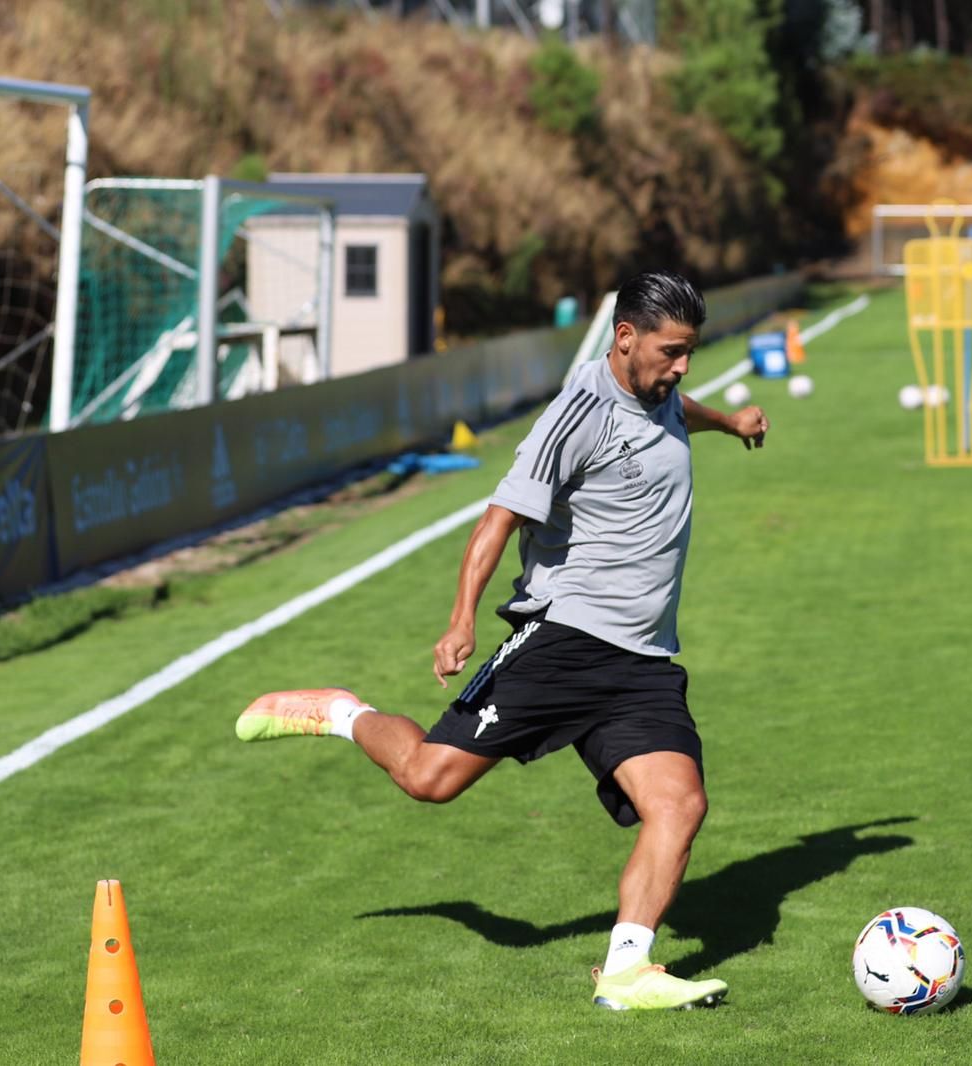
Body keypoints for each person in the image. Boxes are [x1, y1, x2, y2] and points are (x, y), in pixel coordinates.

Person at [235, 270, 771, 1011]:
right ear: (625, 338)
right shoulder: (576, 416)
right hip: (564, 641)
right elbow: (498, 521)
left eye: (690, 352)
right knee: (429, 779)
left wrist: (731, 423)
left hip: (643, 660)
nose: (682, 367)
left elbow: (680, 409)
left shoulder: (660, 393)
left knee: (679, 805)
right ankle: (339, 712)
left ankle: (626, 971)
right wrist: (461, 619)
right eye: (671, 352)